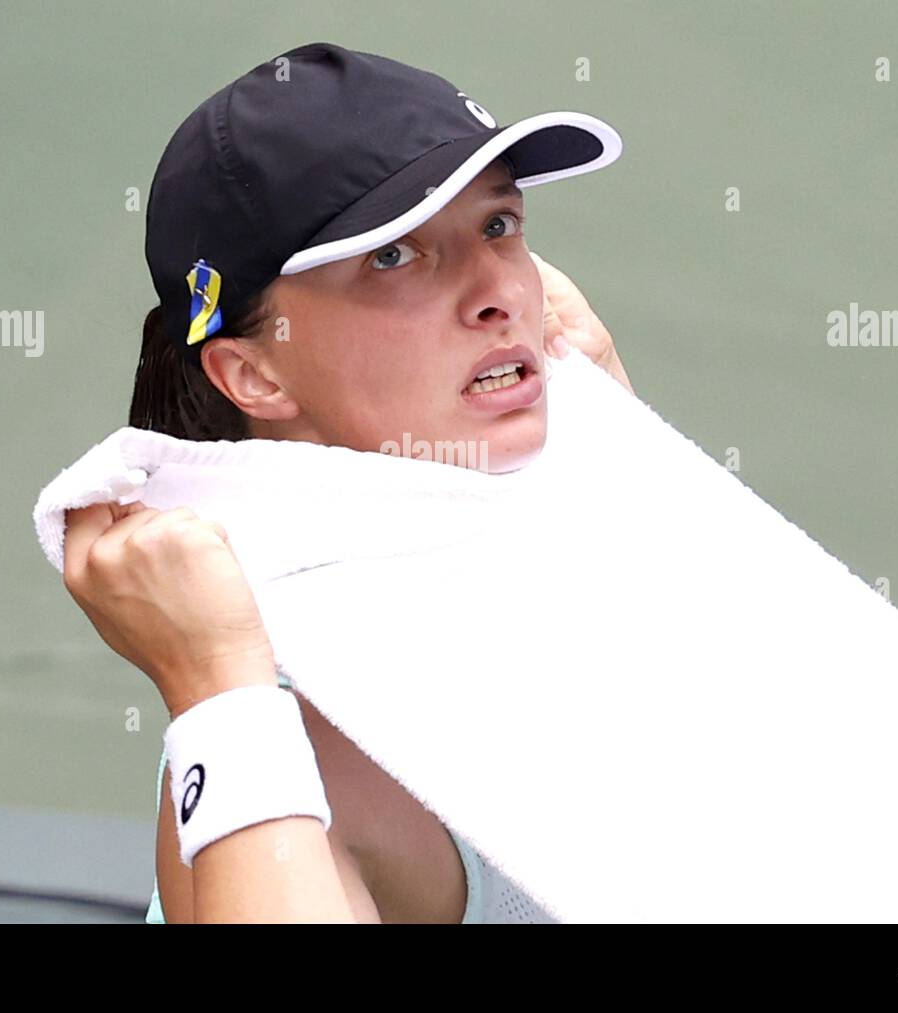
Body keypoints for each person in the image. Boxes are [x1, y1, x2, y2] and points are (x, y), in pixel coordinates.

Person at [61, 41, 630, 923]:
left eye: (497, 226)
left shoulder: (589, 520)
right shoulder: (299, 755)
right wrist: (217, 688)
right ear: (255, 376)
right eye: (394, 258)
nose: (498, 294)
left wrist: (625, 451)